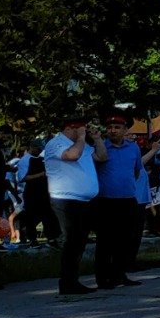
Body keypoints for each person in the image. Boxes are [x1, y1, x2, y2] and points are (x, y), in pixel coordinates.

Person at [43, 117, 103, 296]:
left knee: (79, 241)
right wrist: (82, 137)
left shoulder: (80, 143)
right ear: (72, 127)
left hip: (83, 201)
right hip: (65, 200)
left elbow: (101, 156)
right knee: (72, 241)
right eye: (82, 127)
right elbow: (72, 155)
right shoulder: (56, 143)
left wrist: (98, 139)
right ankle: (67, 282)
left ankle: (73, 280)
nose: (85, 130)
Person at [92, 114, 144, 289]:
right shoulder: (101, 147)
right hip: (106, 200)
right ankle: (103, 278)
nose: (112, 131)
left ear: (125, 130)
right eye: (110, 127)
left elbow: (136, 171)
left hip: (128, 199)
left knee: (126, 240)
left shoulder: (133, 148)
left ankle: (119, 275)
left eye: (117, 127)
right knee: (106, 241)